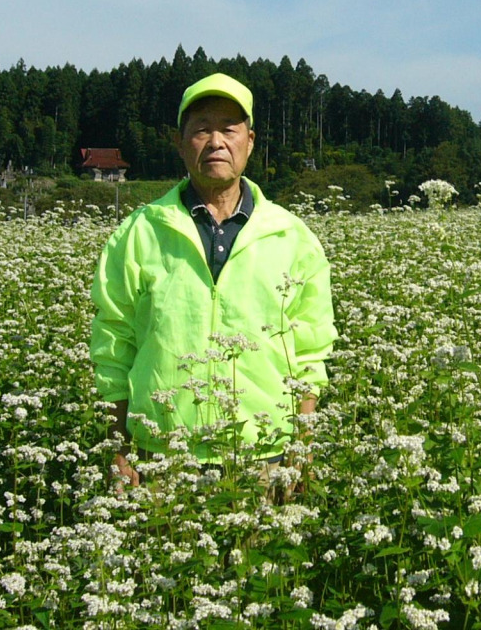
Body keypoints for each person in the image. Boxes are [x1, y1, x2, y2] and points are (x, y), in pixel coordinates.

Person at [90, 72, 336, 488]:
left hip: (265, 457)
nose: (216, 141)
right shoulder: (138, 233)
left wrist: (303, 449)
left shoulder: (293, 238)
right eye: (202, 129)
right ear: (180, 141)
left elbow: (311, 352)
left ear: (250, 141)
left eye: (229, 129)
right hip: (161, 456)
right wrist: (118, 450)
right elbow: (113, 346)